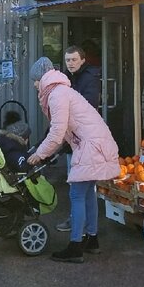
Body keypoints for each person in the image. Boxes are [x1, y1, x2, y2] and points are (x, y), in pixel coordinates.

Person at [27, 57, 119, 263]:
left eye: (35, 80)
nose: (34, 85)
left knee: (77, 194)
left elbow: (57, 132)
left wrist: (40, 154)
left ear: (42, 78)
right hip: (95, 143)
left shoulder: (56, 95)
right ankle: (92, 239)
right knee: (87, 194)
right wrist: (43, 149)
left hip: (90, 146)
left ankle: (75, 246)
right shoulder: (62, 91)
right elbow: (61, 131)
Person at [57, 44, 102, 232]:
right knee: (84, 188)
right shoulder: (68, 78)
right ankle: (87, 227)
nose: (71, 63)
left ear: (83, 60)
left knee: (80, 189)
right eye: (68, 60)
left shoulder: (89, 79)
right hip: (74, 139)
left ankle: (81, 226)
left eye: (74, 59)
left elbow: (87, 106)